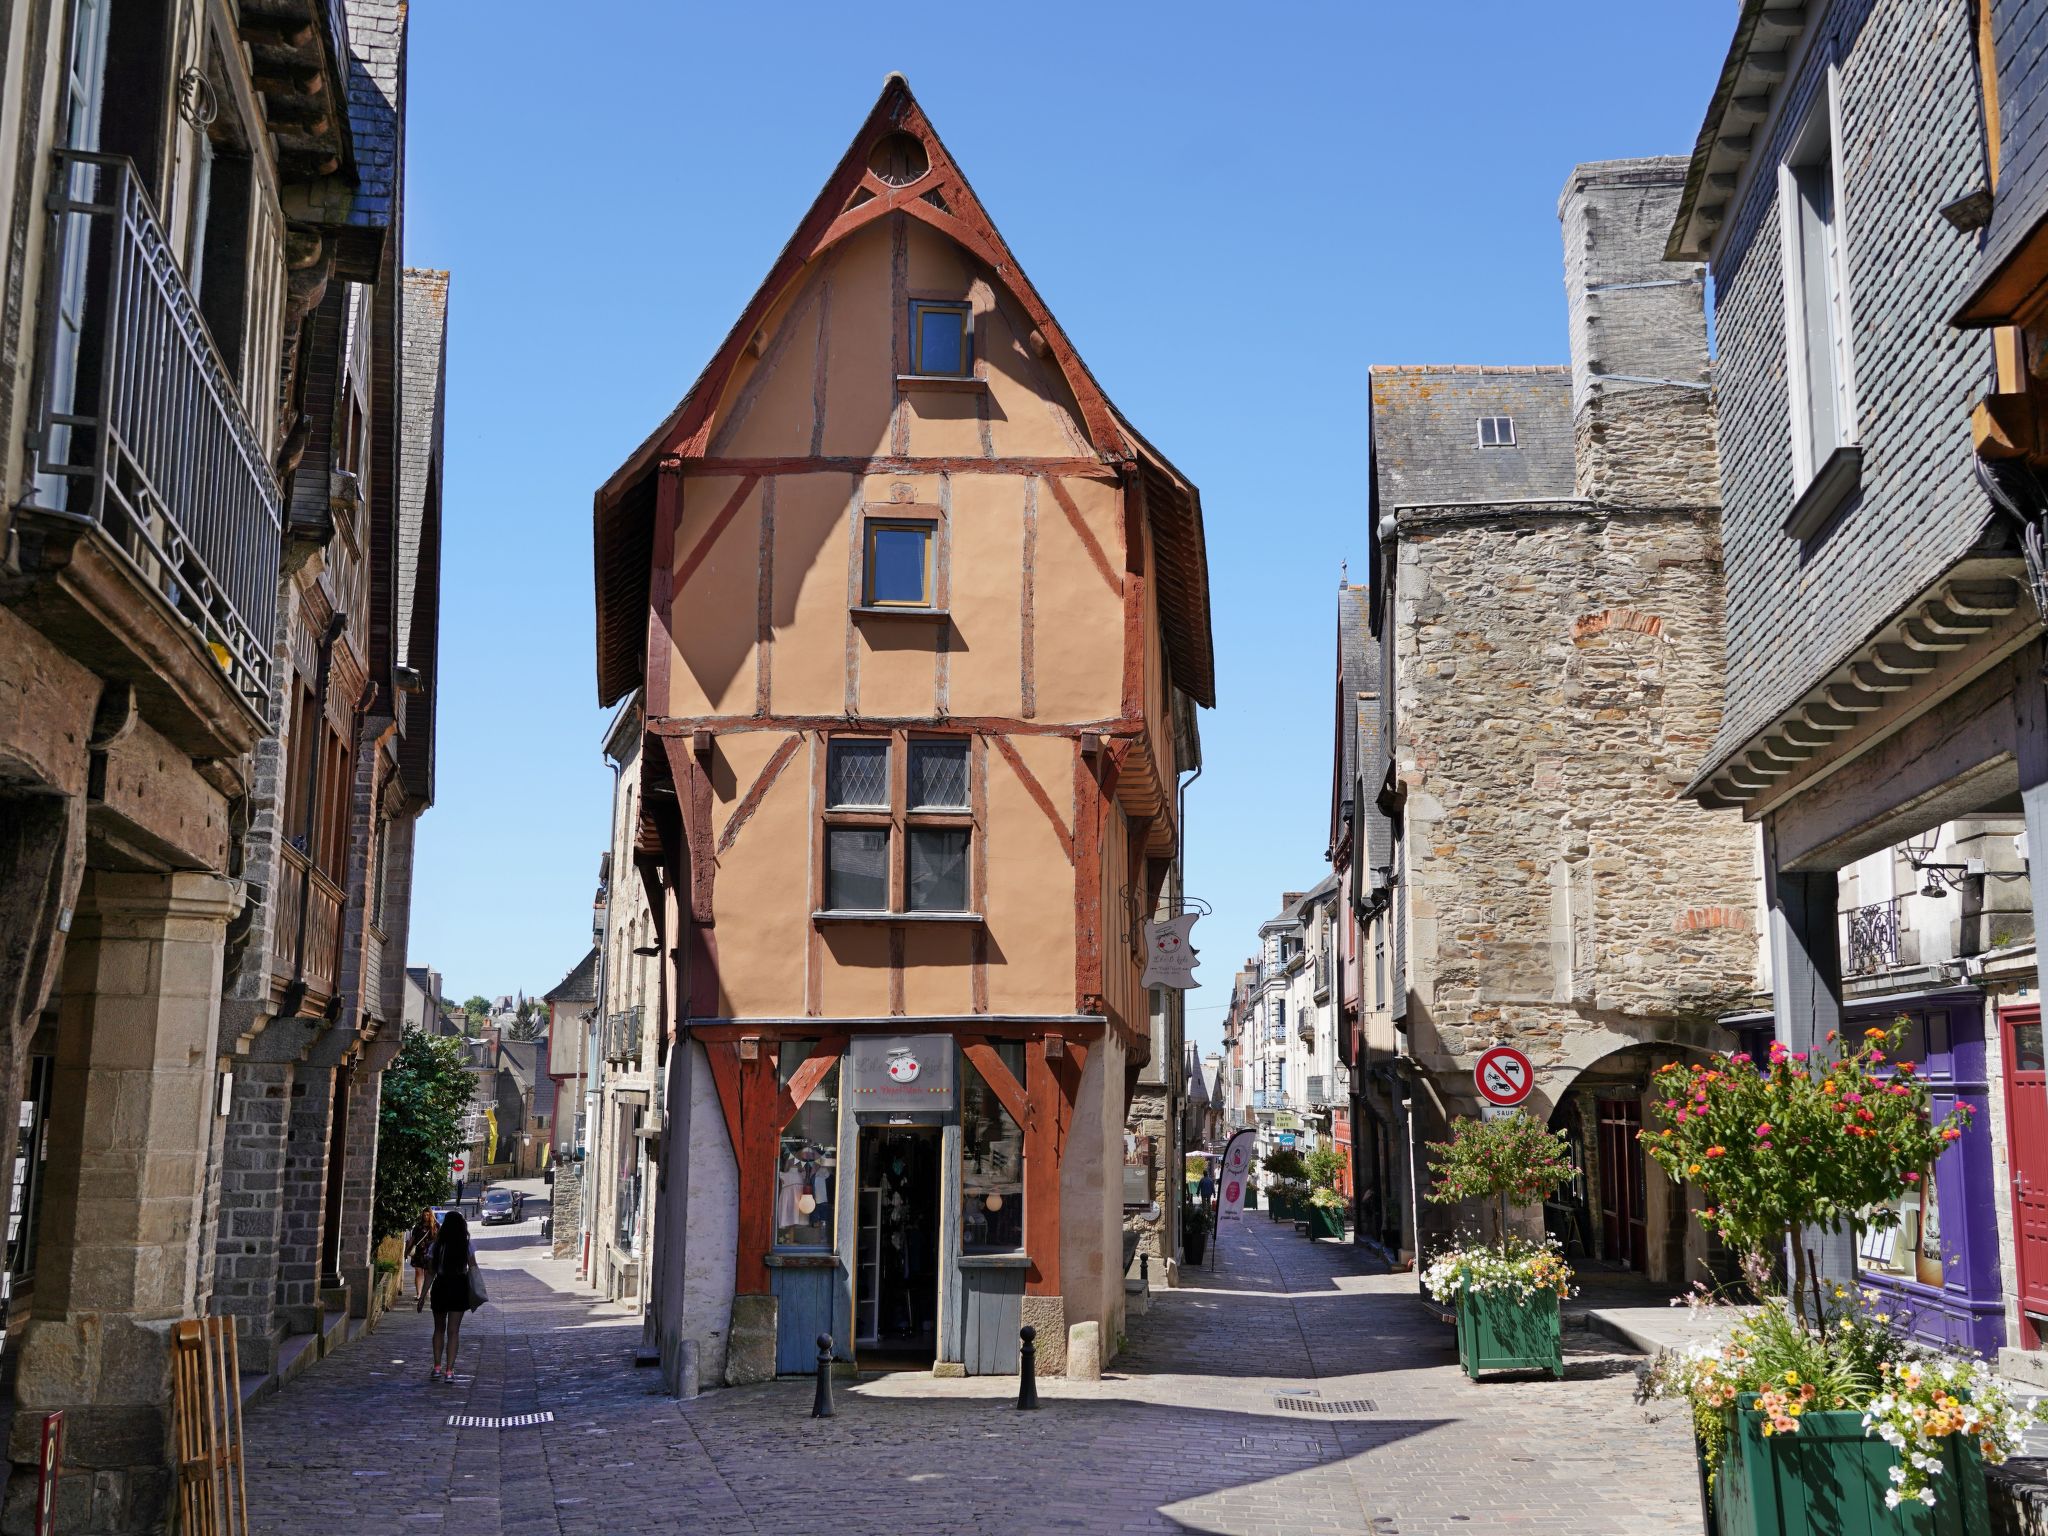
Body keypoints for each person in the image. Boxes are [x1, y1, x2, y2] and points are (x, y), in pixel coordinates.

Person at [428, 1209, 479, 1381]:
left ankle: (436, 1367)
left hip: (441, 1286)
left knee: (439, 1329)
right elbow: (473, 1268)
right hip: (458, 1286)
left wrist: (421, 1297)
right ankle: (449, 1370)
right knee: (454, 1331)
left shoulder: (436, 1246)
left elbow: (430, 1273)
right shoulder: (466, 1245)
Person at [406, 1207, 439, 1312]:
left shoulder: (436, 1226)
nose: (425, 1217)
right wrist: (407, 1250)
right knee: (418, 1272)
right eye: (424, 1215)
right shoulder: (418, 1226)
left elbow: (439, 1239)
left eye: (427, 1215)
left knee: (427, 1273)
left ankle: (427, 1291)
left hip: (430, 1253)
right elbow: (412, 1239)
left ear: (431, 1215)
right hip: (419, 1253)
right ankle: (419, 1293)